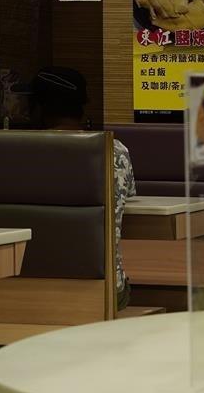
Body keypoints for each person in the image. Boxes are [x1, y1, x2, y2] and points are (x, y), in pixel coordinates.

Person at [29, 67, 137, 310]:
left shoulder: (22, 152)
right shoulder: (116, 150)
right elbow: (128, 199)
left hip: (30, 290)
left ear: (40, 108)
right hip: (108, 289)